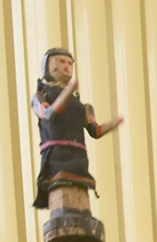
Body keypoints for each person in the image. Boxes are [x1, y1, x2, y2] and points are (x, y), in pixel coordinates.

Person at [30, 48, 123, 211]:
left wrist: (114, 123)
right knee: (62, 198)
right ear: (49, 66)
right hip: (56, 160)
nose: (66, 66)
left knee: (81, 199)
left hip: (79, 160)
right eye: (61, 61)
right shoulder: (40, 96)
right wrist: (68, 91)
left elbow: (96, 130)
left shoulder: (83, 106)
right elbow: (49, 113)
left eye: (69, 63)